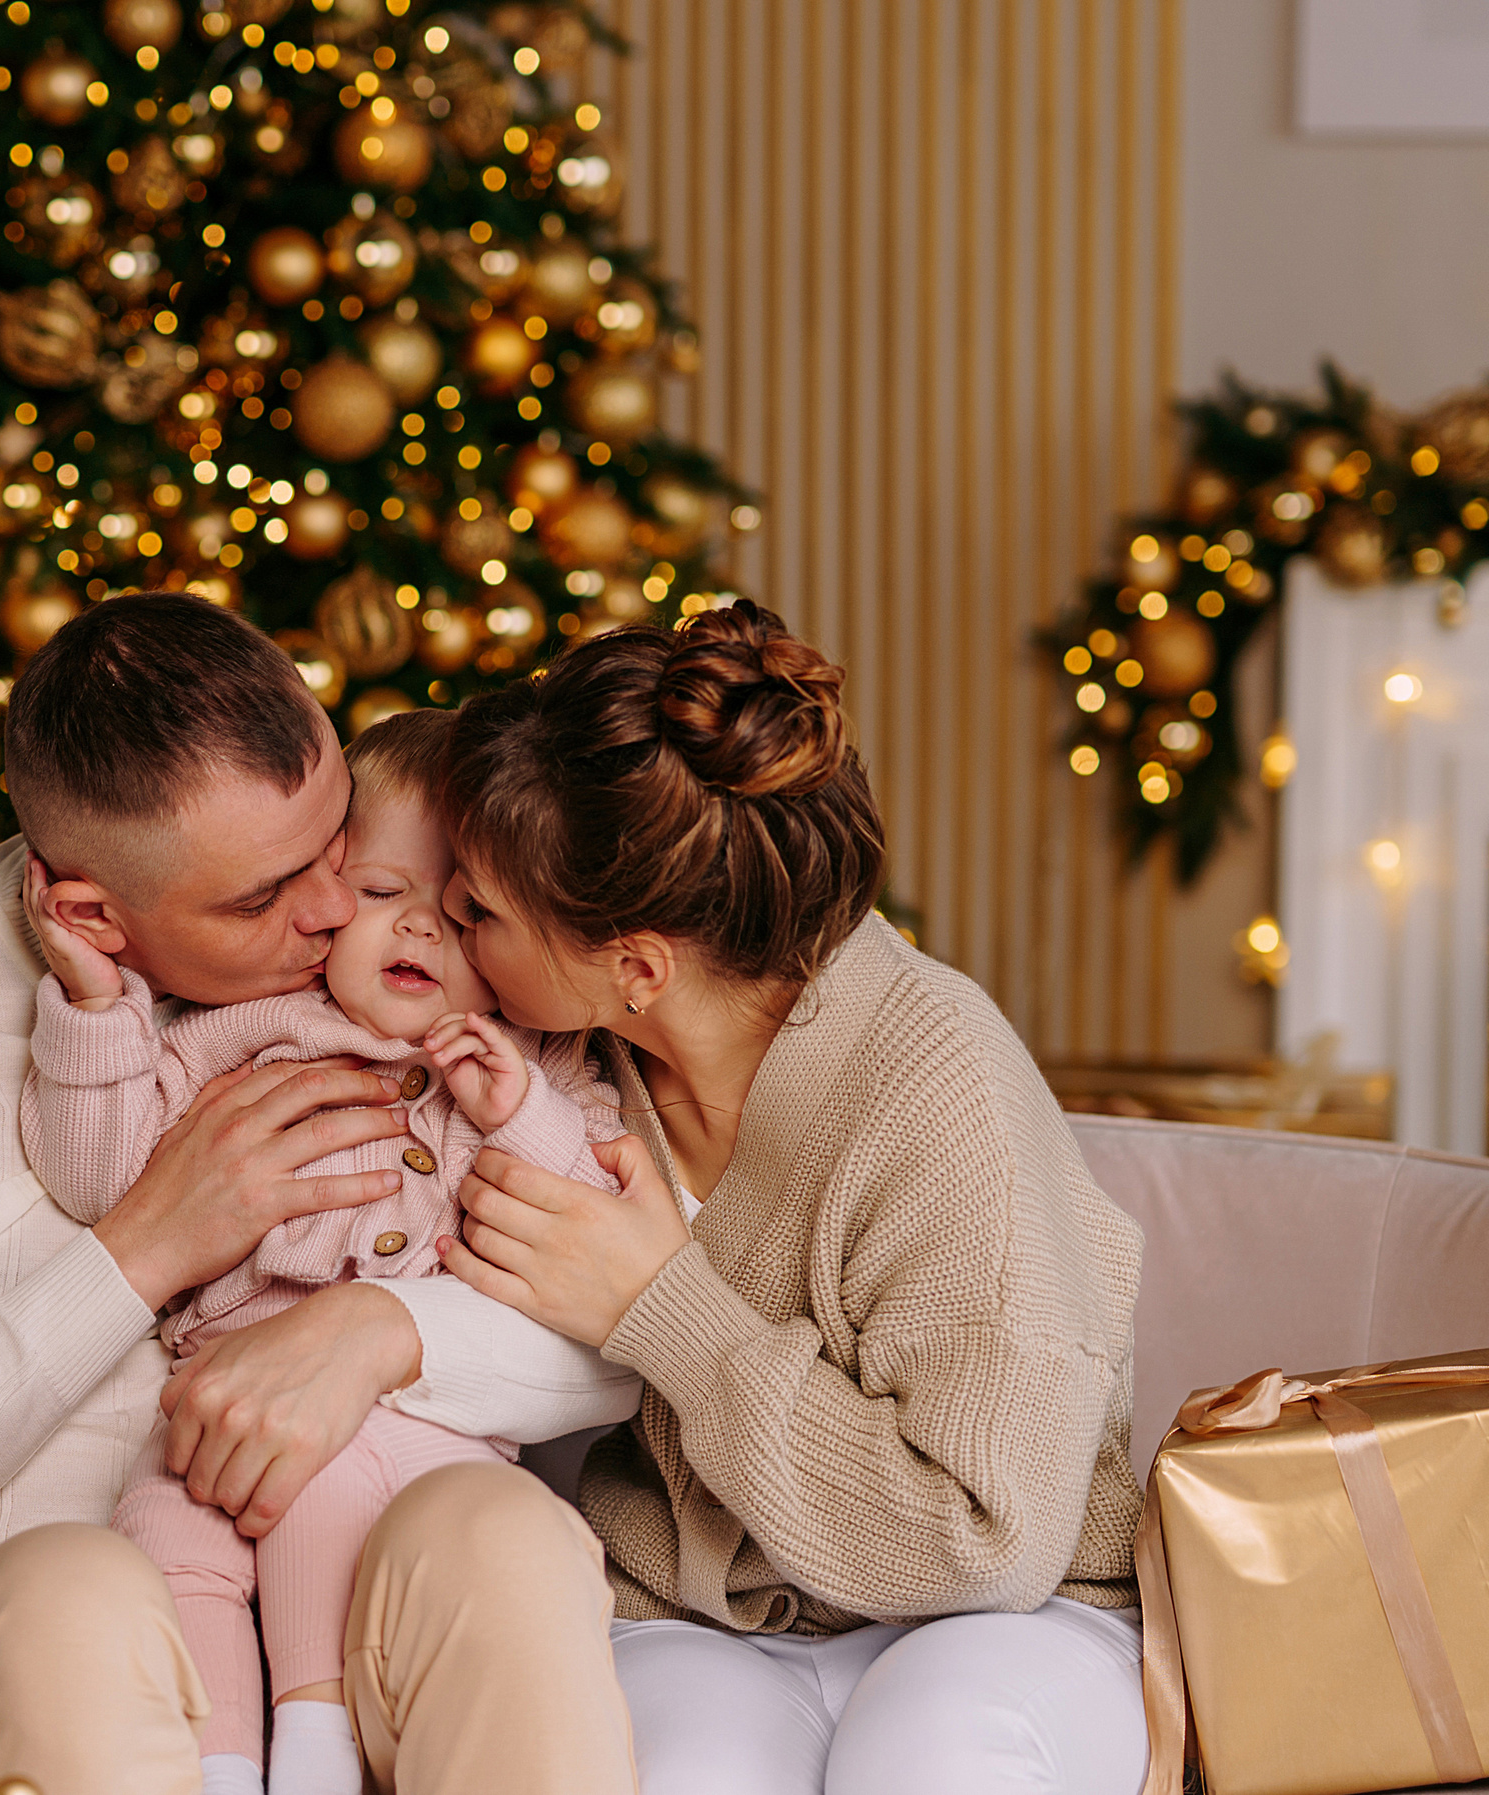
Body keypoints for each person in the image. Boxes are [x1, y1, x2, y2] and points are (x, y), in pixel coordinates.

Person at [0, 593, 639, 1795]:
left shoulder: (443, 961)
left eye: (332, 851)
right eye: (258, 899)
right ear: (91, 912)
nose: (326, 915)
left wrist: (378, 1332)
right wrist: (144, 1247)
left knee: (503, 1538)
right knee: (78, 1598)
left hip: (355, 1564)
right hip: (19, 1607)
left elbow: (635, 1322)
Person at [430, 600, 1149, 1795]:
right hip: (701, 1619)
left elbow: (989, 1535)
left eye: (480, 912)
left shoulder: (934, 1079)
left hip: (1009, 1616)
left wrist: (662, 1308)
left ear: (636, 967)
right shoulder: (553, 1067)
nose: (446, 928)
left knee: (933, 1760)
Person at [20, 706, 629, 1795]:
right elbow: (96, 1173)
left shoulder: (536, 1065)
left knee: (338, 1502)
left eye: (461, 914)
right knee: (161, 1543)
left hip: (428, 1429)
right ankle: (215, 1764)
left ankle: (316, 1748)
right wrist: (95, 1009)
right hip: (219, 1399)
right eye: (382, 893)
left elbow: (594, 1236)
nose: (417, 933)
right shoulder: (251, 1030)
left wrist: (520, 1110)